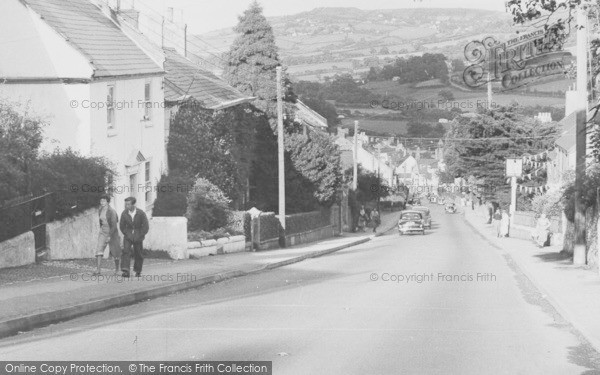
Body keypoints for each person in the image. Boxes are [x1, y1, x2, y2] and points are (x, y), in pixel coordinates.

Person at [119, 197, 149, 277]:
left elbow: (145, 226)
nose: (126, 206)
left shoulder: (141, 213)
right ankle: (126, 270)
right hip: (128, 236)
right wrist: (126, 233)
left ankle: (138, 271)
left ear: (133, 204)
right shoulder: (124, 213)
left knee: (138, 253)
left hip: (138, 235)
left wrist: (141, 234)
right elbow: (122, 226)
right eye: (126, 204)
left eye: (128, 204)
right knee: (126, 251)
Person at [93, 195, 121, 276]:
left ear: (107, 202)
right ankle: (98, 270)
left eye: (104, 201)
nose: (102, 202)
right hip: (103, 231)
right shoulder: (100, 209)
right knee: (99, 249)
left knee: (115, 251)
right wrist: (102, 229)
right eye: (101, 201)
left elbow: (114, 225)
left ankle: (117, 270)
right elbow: (101, 221)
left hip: (112, 232)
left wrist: (109, 236)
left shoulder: (112, 211)